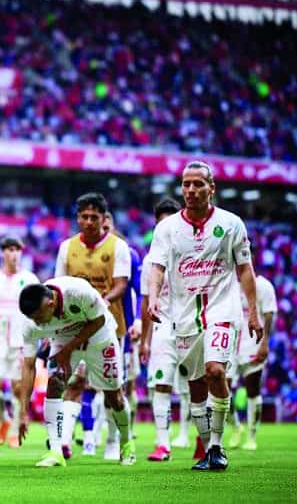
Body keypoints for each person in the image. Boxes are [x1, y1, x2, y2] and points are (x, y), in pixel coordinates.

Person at [147, 161, 262, 471]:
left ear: (212, 188)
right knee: (196, 387)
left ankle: (217, 446)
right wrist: (155, 296)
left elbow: (245, 269)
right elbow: (156, 266)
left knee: (214, 371)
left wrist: (254, 313)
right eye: (186, 184)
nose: (191, 190)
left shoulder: (232, 223)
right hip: (184, 315)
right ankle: (208, 447)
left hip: (223, 310)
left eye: (198, 184)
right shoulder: (167, 228)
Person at [18, 276, 136, 467]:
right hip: (63, 339)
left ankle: (126, 442)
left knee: (115, 396)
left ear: (51, 303)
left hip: (100, 338)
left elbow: (99, 320)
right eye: (33, 319)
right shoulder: (30, 324)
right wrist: (23, 411)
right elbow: (28, 366)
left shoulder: (78, 291)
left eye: (39, 317)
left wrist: (68, 350)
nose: (38, 324)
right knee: (54, 383)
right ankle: (55, 451)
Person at [54, 193, 131, 460]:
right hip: (74, 326)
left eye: (94, 217)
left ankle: (113, 441)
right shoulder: (67, 247)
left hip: (108, 326)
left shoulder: (117, 247)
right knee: (74, 382)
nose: (88, 221)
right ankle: (63, 443)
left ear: (103, 218)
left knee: (112, 390)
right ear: (77, 218)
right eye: (84, 216)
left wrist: (101, 301)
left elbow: (121, 284)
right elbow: (58, 285)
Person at [0, 237, 39, 448]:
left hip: (19, 340)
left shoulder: (30, 279)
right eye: (9, 250)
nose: (14, 254)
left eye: (17, 250)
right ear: (2, 253)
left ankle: (13, 432)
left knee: (17, 386)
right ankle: (4, 419)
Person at [138, 197, 184, 461]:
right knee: (160, 383)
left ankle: (206, 441)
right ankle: (163, 443)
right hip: (163, 327)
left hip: (193, 324)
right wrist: (145, 340)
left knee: (197, 384)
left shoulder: (194, 256)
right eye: (160, 224)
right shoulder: (150, 263)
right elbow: (146, 302)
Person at [103, 211, 142, 446]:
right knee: (90, 383)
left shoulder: (128, 253)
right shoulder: (84, 252)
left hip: (122, 328)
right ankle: (100, 433)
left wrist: (136, 320)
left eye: (107, 226)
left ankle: (120, 431)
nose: (103, 231)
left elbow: (136, 289)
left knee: (122, 382)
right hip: (93, 326)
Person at [226, 274, 277, 451]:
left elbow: (269, 315)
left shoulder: (263, 286)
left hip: (252, 344)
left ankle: (251, 436)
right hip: (230, 345)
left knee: (252, 390)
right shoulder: (229, 284)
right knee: (221, 389)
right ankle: (235, 427)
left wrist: (265, 343)